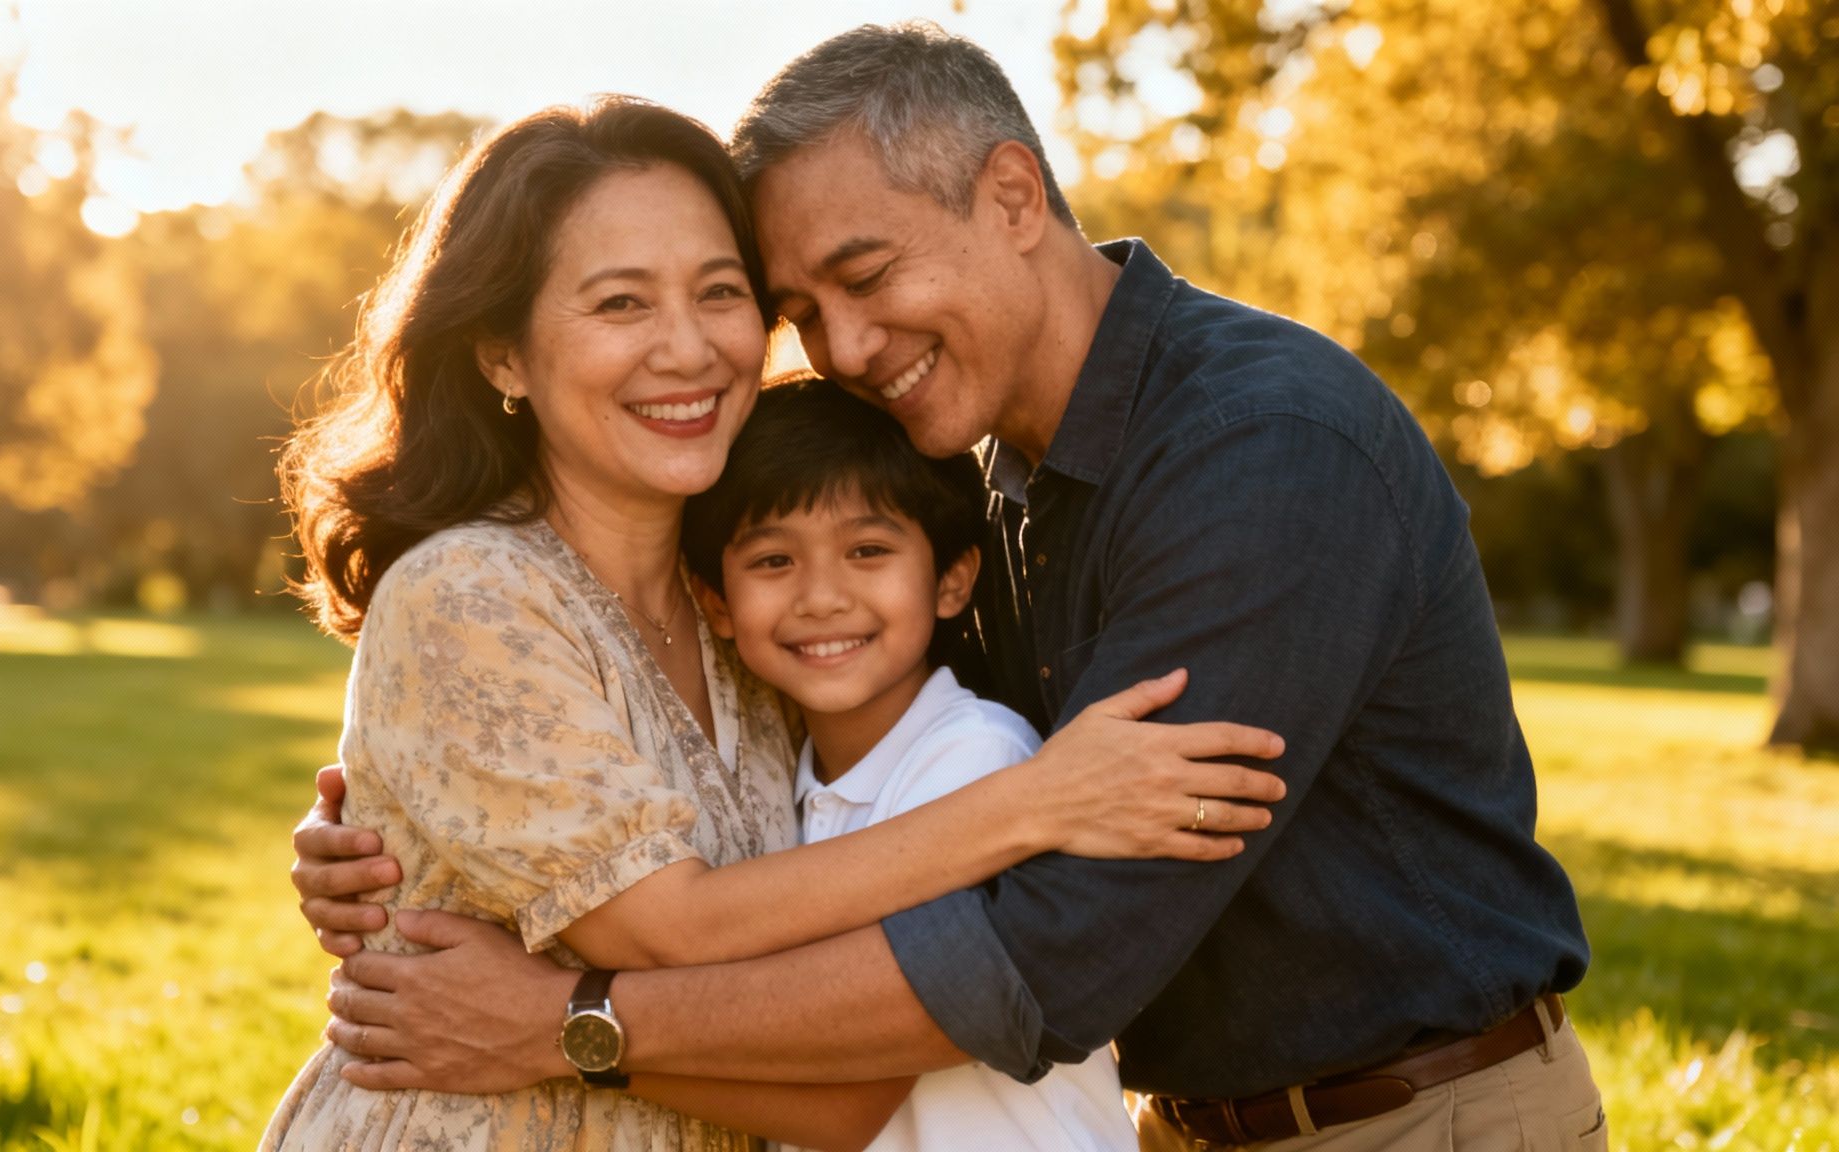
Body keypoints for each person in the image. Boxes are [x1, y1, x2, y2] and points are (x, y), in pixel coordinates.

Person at [293, 21, 1607, 1152]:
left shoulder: (1257, 456)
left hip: (1414, 1123)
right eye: (804, 307)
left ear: (1015, 198)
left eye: (863, 277)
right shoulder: (962, 496)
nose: (847, 349)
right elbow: (839, 813)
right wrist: (420, 850)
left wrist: (566, 1021)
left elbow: (1040, 954)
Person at [262, 94, 1288, 1152]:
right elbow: (668, 926)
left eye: (720, 294)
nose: (688, 348)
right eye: (619, 304)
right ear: (501, 355)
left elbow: (846, 1078)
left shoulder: (750, 621)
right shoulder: (472, 592)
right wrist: (1039, 801)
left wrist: (522, 997)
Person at [677, 377, 1139, 1152]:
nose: (821, 596)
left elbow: (849, 1093)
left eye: (867, 551)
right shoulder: (776, 785)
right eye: (772, 559)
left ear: (953, 579)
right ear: (717, 603)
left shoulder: (976, 759)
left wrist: (552, 1034)